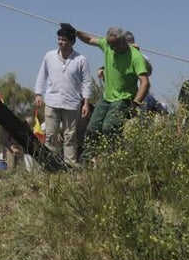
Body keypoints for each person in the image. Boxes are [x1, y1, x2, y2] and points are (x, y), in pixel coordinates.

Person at [75, 27, 150, 149]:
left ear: (123, 42)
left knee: (109, 127)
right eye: (109, 45)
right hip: (107, 98)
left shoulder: (135, 57)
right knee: (92, 128)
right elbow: (89, 39)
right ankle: (87, 160)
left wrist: (135, 104)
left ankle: (115, 156)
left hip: (124, 98)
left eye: (114, 45)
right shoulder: (108, 45)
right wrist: (76, 32)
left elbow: (145, 83)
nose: (111, 48)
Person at [33, 24, 92, 165]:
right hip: (52, 100)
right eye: (59, 39)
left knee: (70, 136)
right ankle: (50, 164)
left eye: (64, 40)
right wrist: (38, 94)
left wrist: (86, 103)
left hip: (72, 102)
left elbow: (86, 82)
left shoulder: (81, 59)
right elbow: (42, 75)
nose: (61, 42)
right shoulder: (49, 56)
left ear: (72, 42)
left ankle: (70, 164)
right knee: (51, 135)